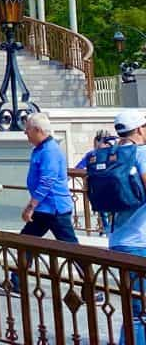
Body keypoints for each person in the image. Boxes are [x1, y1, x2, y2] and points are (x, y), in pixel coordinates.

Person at [109, 110, 146, 345]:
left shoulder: (110, 154)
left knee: (131, 306)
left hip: (117, 240)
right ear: (141, 129)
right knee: (141, 310)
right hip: (140, 242)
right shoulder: (141, 154)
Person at [19, 112, 78, 243]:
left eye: (27, 129)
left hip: (54, 208)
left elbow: (47, 181)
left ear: (37, 130)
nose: (25, 133)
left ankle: (86, 264)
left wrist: (31, 207)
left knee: (72, 248)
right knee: (25, 242)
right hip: (45, 208)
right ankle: (24, 263)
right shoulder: (42, 149)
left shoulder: (49, 151)